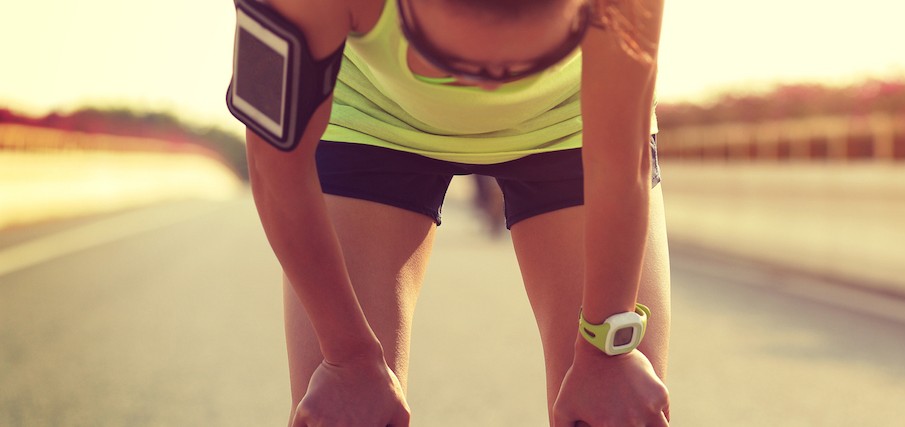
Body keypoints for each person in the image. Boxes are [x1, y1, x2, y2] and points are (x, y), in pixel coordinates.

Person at [227, 0, 671, 425]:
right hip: (374, 112)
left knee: (614, 412)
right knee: (344, 414)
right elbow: (275, 167)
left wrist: (606, 350)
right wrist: (347, 356)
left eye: (517, 69)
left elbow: (620, 161)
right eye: (458, 68)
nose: (491, 93)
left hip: (568, 118)